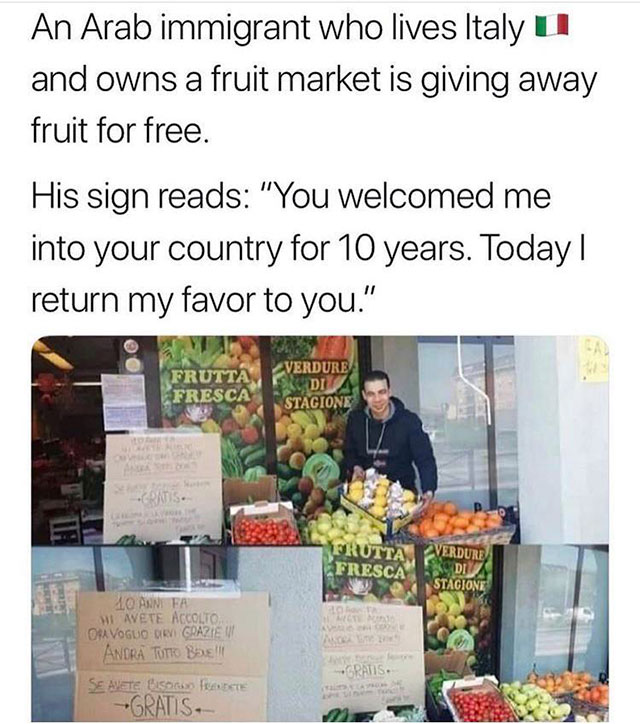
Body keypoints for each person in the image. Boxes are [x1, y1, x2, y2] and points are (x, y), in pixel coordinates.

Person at [344, 370, 437, 494]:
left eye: (381, 392)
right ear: (364, 396)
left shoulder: (409, 421)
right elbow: (349, 451)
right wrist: (355, 466)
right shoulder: (356, 421)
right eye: (371, 394)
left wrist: (429, 490)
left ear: (389, 392)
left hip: (403, 497)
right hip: (365, 496)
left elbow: (425, 459)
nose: (377, 399)